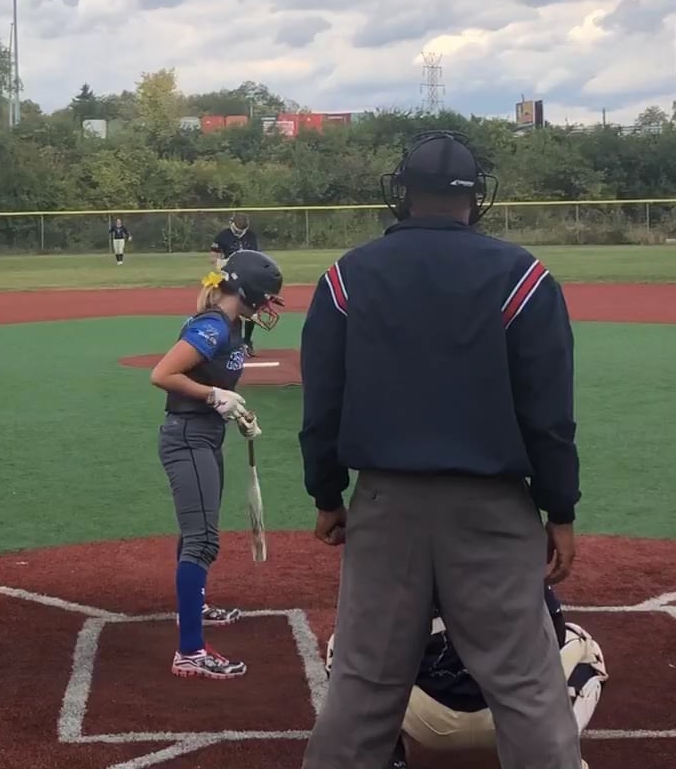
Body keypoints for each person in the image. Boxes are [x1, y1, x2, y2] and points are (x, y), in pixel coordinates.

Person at [298, 130, 583, 769]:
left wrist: (327, 493)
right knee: (525, 686)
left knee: (364, 686)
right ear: (476, 197)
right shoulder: (524, 276)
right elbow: (549, 416)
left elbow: (322, 407)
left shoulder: (347, 276)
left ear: (402, 193)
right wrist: (560, 509)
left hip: (384, 504)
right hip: (493, 508)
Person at [147, 249, 285, 680]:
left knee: (198, 531)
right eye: (266, 297)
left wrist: (236, 412)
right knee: (202, 540)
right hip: (188, 437)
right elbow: (162, 374)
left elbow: (214, 381)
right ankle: (190, 651)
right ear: (248, 291)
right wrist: (212, 396)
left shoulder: (231, 324)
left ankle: (195, 605)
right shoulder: (212, 327)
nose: (268, 306)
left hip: (204, 435)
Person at [324, 585, 607, 769]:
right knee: (583, 648)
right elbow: (554, 634)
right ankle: (549, 757)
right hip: (512, 714)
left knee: (344, 647)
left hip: (424, 718)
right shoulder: (510, 555)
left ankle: (384, 757)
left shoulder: (397, 563)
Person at [208, 214, 262, 354]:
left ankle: (247, 341)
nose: (239, 233)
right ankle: (233, 341)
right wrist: (224, 263)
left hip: (248, 277)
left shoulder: (251, 236)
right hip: (230, 276)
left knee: (250, 308)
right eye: (237, 230)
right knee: (232, 308)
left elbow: (257, 255)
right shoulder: (223, 236)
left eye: (241, 231)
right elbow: (213, 257)